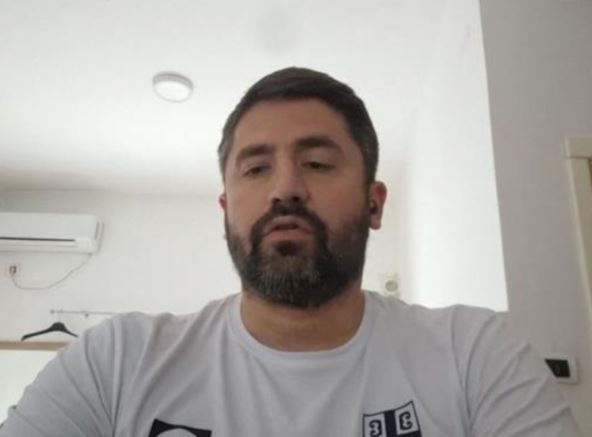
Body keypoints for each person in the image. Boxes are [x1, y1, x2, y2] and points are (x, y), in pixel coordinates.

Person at [0, 67, 580, 437]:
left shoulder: (475, 355)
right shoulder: (117, 362)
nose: (285, 188)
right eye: (256, 168)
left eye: (318, 162)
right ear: (226, 212)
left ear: (374, 203)